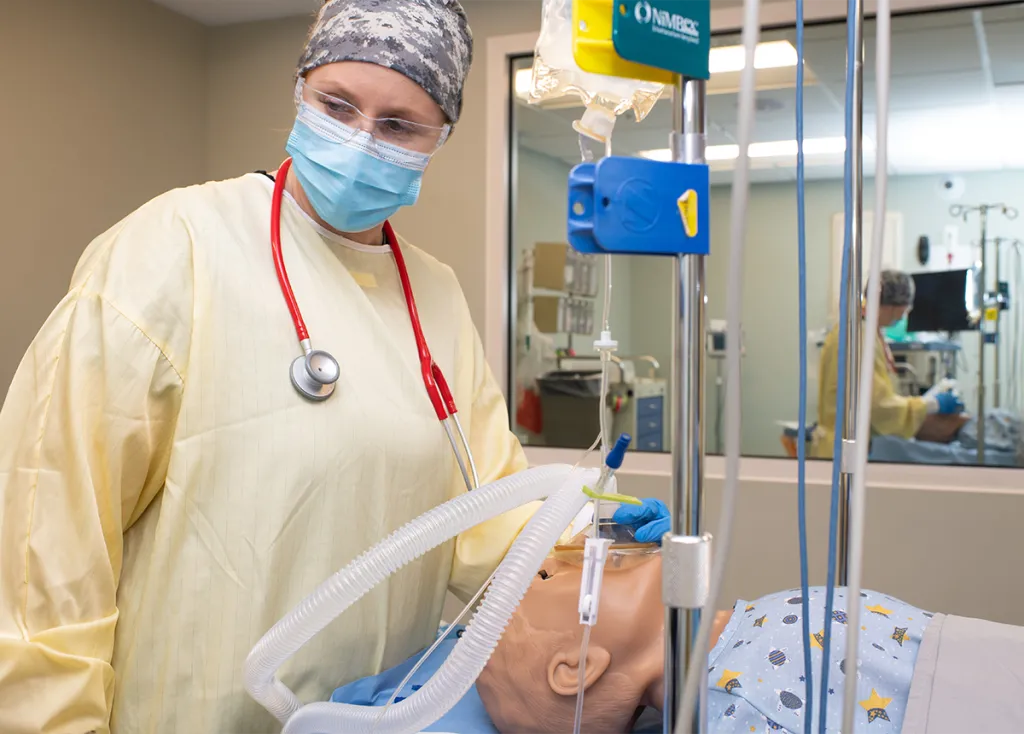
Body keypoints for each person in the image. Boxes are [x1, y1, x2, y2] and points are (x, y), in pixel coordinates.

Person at [0, 2, 669, 732]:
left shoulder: (433, 293)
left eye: (398, 125)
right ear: (300, 90)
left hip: (367, 716)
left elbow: (489, 511)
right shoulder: (175, 247)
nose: (359, 140)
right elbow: (47, 535)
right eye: (337, 105)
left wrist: (589, 541)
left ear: (440, 136)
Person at [811, 269, 963, 459]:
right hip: (846, 450)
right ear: (894, 305)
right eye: (905, 306)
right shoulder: (860, 337)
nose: (906, 313)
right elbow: (878, 406)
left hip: (846, 444)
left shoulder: (863, 330)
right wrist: (930, 405)